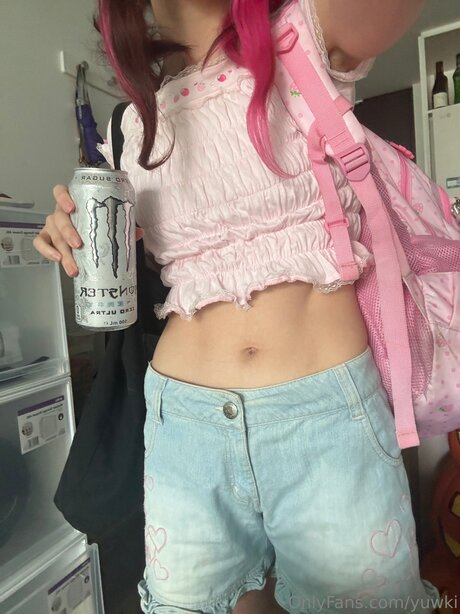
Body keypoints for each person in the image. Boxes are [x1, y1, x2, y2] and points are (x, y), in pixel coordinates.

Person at [34, 0, 441, 612]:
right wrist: (70, 232)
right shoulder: (127, 125)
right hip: (183, 427)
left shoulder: (307, 39)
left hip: (325, 419)